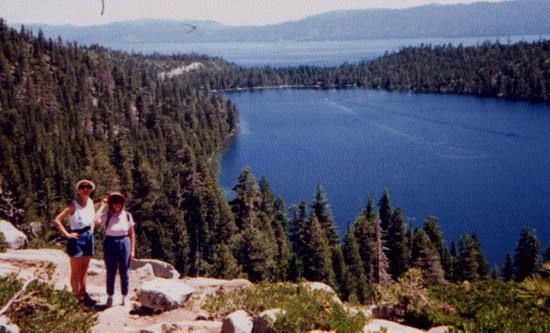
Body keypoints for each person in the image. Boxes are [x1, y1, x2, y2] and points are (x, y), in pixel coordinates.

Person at [53, 179, 100, 304]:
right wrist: (67, 234)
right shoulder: (73, 205)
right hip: (77, 238)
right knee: (76, 271)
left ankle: (83, 293)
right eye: (83, 187)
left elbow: (93, 219)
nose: (86, 189)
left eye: (88, 187)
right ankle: (76, 298)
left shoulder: (90, 202)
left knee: (84, 269)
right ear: (79, 190)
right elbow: (57, 220)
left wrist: (91, 230)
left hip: (88, 236)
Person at [97, 192, 136, 307]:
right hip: (110, 242)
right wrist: (102, 205)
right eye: (114, 202)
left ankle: (124, 296)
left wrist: (132, 250)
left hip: (124, 242)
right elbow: (94, 219)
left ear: (123, 203)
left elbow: (132, 234)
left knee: (125, 271)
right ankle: (110, 296)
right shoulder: (107, 215)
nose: (117, 204)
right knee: (110, 271)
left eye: (119, 202)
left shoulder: (127, 215)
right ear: (111, 203)